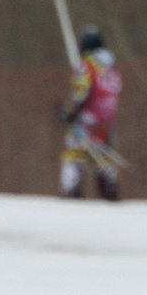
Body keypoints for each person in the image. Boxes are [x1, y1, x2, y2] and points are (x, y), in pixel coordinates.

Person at [57, 24, 124, 200]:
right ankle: (110, 191)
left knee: (73, 157)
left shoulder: (87, 66)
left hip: (85, 123)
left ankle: (71, 192)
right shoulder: (112, 68)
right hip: (106, 124)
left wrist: (69, 113)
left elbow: (80, 93)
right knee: (103, 159)